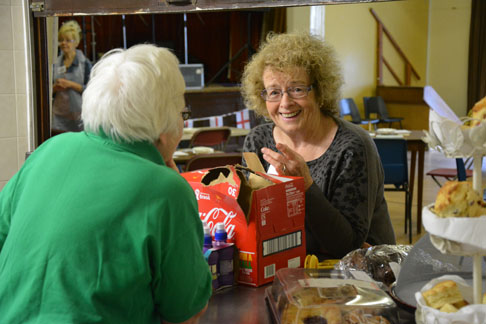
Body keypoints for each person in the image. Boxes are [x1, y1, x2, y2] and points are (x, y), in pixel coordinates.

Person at [0, 44, 211, 323]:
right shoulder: (166, 190)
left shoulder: (47, 151)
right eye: (182, 115)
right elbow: (186, 311)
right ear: (163, 127)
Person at [241, 33, 396, 260]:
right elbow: (253, 223)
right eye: (274, 92)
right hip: (287, 266)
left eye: (297, 89)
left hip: (363, 276)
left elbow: (347, 246)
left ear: (320, 91)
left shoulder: (353, 147)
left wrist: (305, 186)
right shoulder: (258, 140)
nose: (285, 103)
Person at [52, 20, 92, 132]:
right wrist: (55, 88)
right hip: (59, 118)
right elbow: (47, 91)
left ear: (76, 42)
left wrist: (70, 84)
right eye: (61, 40)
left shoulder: (85, 64)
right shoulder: (54, 64)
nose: (64, 43)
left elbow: (91, 91)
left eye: (68, 40)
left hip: (79, 116)